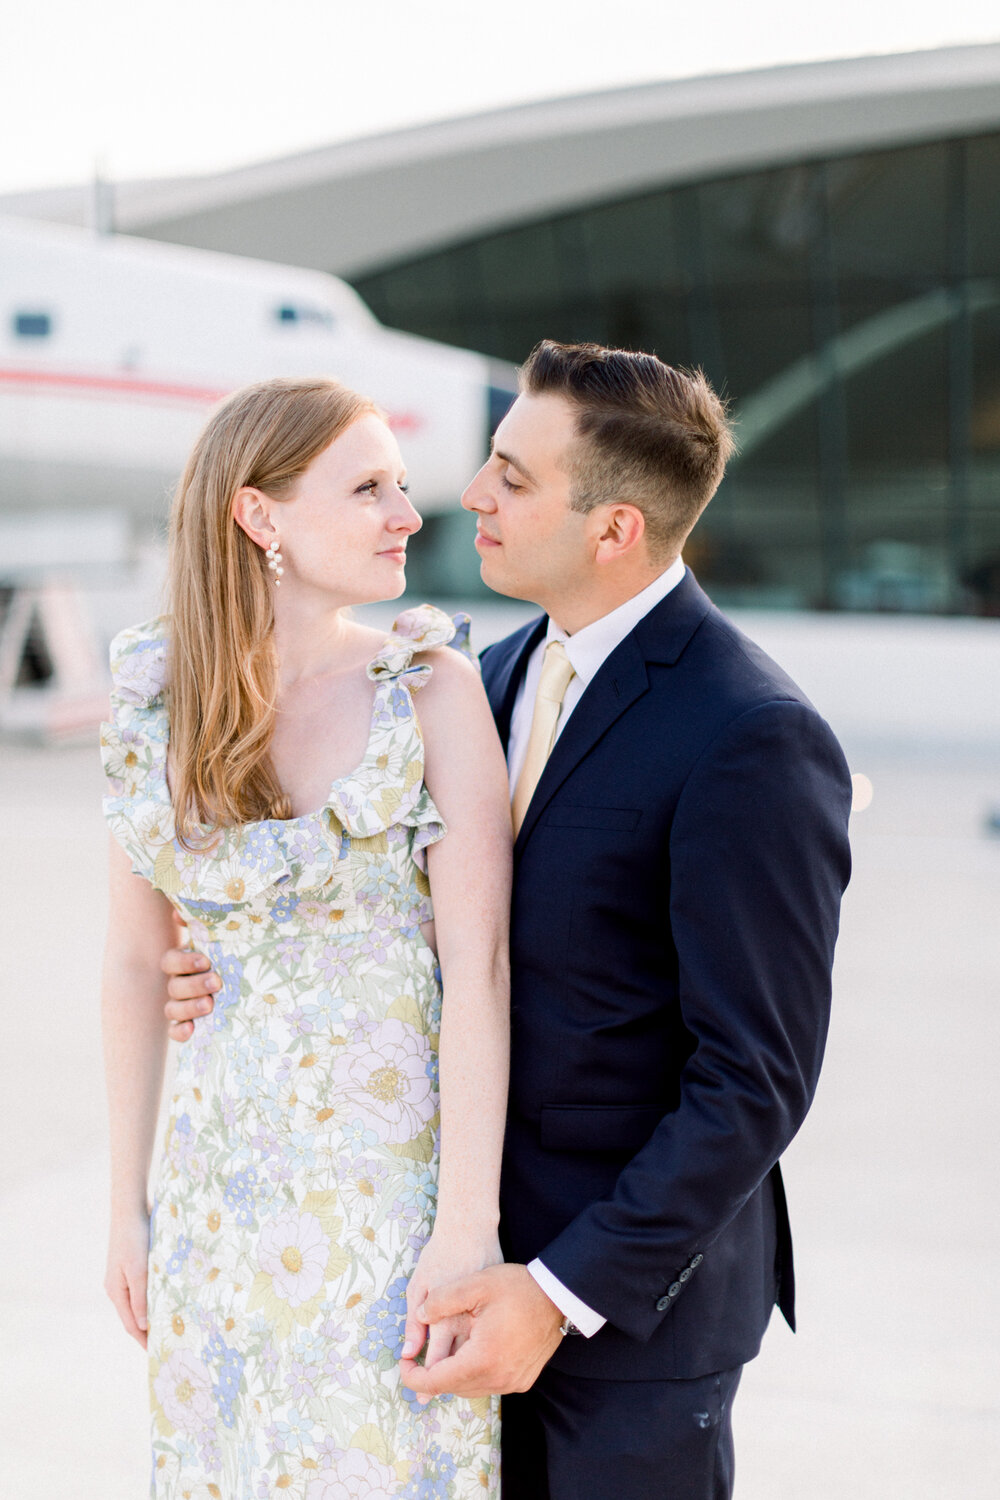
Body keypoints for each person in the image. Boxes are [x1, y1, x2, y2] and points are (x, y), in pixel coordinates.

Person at [161, 343, 854, 1500]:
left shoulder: (751, 733)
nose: (470, 493)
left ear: (614, 528)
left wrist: (557, 1293)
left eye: (512, 477)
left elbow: (754, 1084)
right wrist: (214, 967)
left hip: (621, 1329)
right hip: (427, 1278)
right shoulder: (482, 678)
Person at [100, 376, 509, 1498]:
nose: (406, 514)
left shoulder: (427, 689)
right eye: (368, 487)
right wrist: (127, 1207)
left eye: (401, 485)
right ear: (258, 513)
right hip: (214, 1205)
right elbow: (135, 961)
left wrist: (465, 1226)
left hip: (387, 1208)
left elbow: (479, 972)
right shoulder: (155, 697)